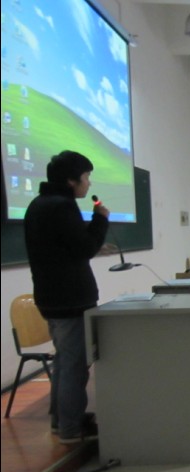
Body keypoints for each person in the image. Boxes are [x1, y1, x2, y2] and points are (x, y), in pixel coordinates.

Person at [24, 151, 109, 444]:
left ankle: (62, 421)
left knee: (64, 362)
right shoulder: (62, 206)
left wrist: (91, 238)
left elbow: (63, 246)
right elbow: (83, 248)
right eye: (86, 177)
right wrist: (100, 220)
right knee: (74, 366)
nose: (88, 183)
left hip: (51, 297)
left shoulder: (39, 204)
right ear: (71, 180)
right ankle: (71, 429)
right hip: (70, 299)